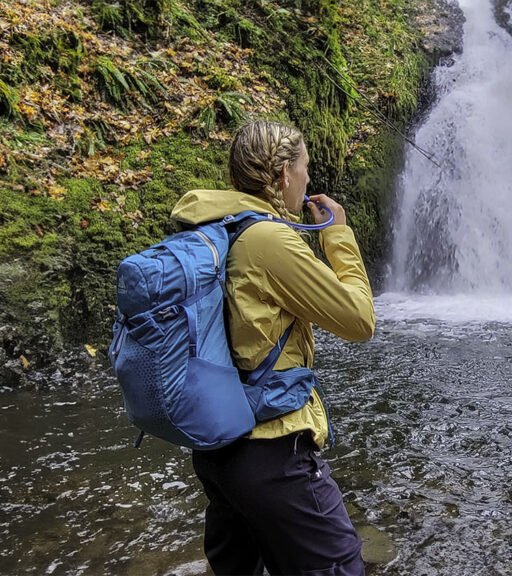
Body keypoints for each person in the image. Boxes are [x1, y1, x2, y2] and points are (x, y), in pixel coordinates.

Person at [169, 120, 375, 576]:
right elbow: (359, 320)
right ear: (284, 175)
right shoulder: (268, 239)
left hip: (220, 447)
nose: (307, 180)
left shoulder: (219, 227)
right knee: (340, 567)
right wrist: (336, 234)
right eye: (304, 169)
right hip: (270, 450)